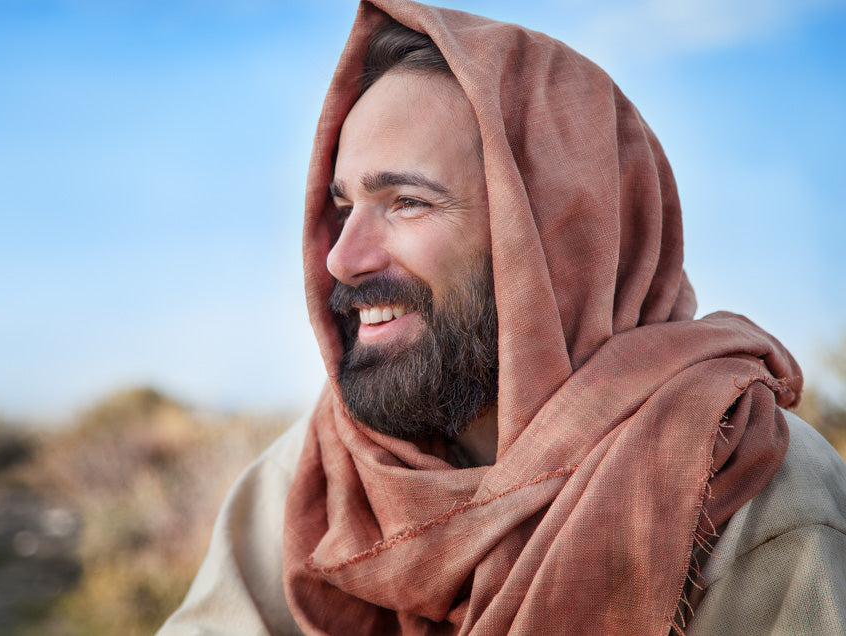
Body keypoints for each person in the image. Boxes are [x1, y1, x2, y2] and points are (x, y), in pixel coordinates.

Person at [158, 1, 846, 633]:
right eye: (344, 208)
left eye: (407, 202)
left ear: (555, 238)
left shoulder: (751, 491)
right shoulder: (327, 472)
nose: (341, 258)